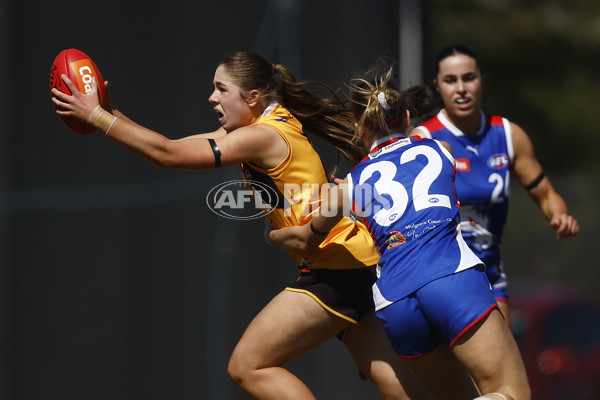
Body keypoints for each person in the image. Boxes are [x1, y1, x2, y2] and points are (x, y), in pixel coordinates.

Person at [50, 51, 431, 400]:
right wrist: (109, 113)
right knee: (394, 382)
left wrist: (97, 117)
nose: (212, 98)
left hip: (335, 267)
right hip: (354, 261)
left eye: (221, 89)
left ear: (251, 98)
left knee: (248, 366)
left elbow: (167, 155)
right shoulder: (268, 122)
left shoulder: (262, 135)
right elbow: (170, 144)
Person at [266, 65, 532, 400]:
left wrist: (271, 233)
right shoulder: (440, 149)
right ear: (406, 117)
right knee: (510, 393)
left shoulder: (352, 186)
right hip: (451, 277)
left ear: (359, 131)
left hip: (395, 302)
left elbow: (305, 238)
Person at [410, 44, 579, 325]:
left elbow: (547, 195)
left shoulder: (509, 135)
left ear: (482, 81)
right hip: (439, 276)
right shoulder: (424, 139)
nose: (461, 88)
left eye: (469, 78)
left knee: (505, 368)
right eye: (451, 80)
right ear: (438, 86)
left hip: (489, 273)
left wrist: (559, 216)